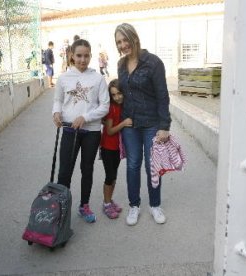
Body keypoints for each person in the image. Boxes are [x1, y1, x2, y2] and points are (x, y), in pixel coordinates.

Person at [114, 23, 171, 226]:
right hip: (130, 123)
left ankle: (155, 205)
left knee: (152, 165)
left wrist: (164, 125)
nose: (123, 45)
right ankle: (134, 205)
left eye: (125, 39)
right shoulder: (121, 65)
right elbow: (120, 94)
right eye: (119, 42)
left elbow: (162, 95)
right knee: (132, 164)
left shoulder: (153, 62)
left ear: (134, 38)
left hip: (152, 124)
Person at [52, 39, 109, 223]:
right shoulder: (63, 78)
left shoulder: (98, 78)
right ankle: (60, 208)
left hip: (91, 132)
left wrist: (85, 117)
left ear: (91, 56)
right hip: (69, 130)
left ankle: (84, 206)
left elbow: (105, 106)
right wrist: (56, 112)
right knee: (64, 172)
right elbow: (58, 100)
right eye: (78, 55)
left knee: (87, 169)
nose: (82, 60)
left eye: (86, 56)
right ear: (71, 56)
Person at [100, 79, 132, 219]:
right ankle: (106, 204)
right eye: (114, 95)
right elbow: (110, 131)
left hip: (117, 148)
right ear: (110, 96)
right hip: (108, 148)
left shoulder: (122, 106)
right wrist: (124, 123)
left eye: (119, 93)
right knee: (109, 177)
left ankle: (110, 200)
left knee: (114, 176)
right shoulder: (111, 108)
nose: (117, 97)